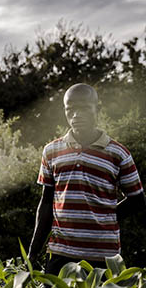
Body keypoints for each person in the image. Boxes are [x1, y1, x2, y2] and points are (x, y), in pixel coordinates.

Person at [28, 83, 146, 274]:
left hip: (103, 258)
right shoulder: (51, 151)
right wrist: (33, 251)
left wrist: (104, 217)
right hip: (60, 255)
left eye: (83, 108)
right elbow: (47, 202)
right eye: (70, 109)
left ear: (97, 109)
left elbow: (137, 200)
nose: (76, 115)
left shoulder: (118, 153)